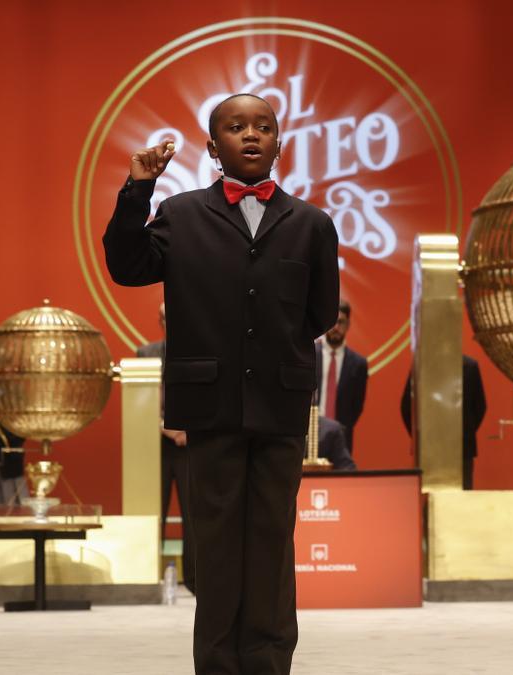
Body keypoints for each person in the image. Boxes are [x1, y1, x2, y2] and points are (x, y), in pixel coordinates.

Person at [103, 92, 339, 675]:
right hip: (208, 410)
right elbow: (127, 266)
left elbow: (319, 314)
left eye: (263, 127)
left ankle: (268, 664)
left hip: (280, 412)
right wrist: (138, 188)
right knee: (215, 549)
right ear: (213, 148)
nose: (251, 135)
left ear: (280, 144)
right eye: (236, 128)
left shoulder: (312, 223)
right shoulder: (180, 214)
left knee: (271, 545)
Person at [136, 302, 195, 594]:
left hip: (191, 443)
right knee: (153, 511)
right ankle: (149, 575)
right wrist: (166, 428)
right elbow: (138, 403)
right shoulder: (144, 355)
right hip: (155, 445)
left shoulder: (199, 351)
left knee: (193, 512)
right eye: (165, 317)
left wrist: (187, 429)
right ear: (160, 321)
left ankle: (194, 579)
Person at [400, 355, 487, 490]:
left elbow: (407, 407)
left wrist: (419, 437)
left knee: (429, 494)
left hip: (429, 444)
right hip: (462, 445)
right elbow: (480, 407)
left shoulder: (422, 364)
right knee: (462, 496)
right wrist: (466, 431)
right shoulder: (470, 366)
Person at [313, 300, 367, 453]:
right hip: (309, 437)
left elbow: (356, 407)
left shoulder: (359, 364)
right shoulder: (309, 355)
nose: (336, 327)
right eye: (333, 322)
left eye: (341, 322)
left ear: (348, 325)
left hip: (341, 440)